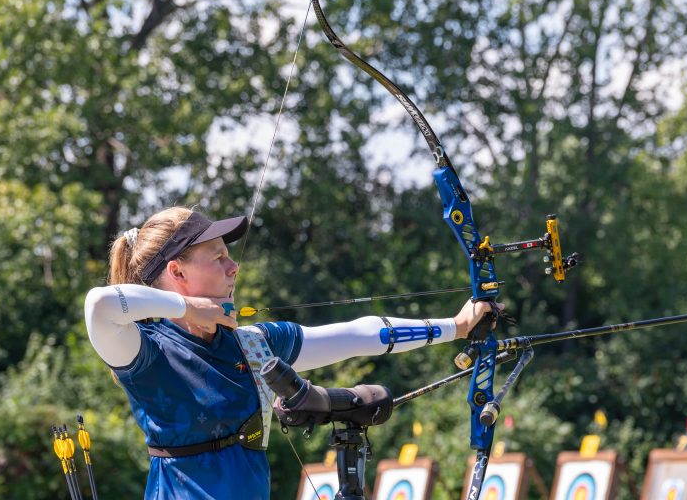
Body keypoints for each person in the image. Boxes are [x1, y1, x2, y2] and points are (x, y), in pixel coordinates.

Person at [84, 206, 502, 500]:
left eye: (230, 257)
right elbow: (99, 306)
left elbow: (361, 334)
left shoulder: (249, 344)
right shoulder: (146, 352)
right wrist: (188, 307)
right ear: (177, 273)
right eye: (218, 258)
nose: (234, 267)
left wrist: (454, 327)